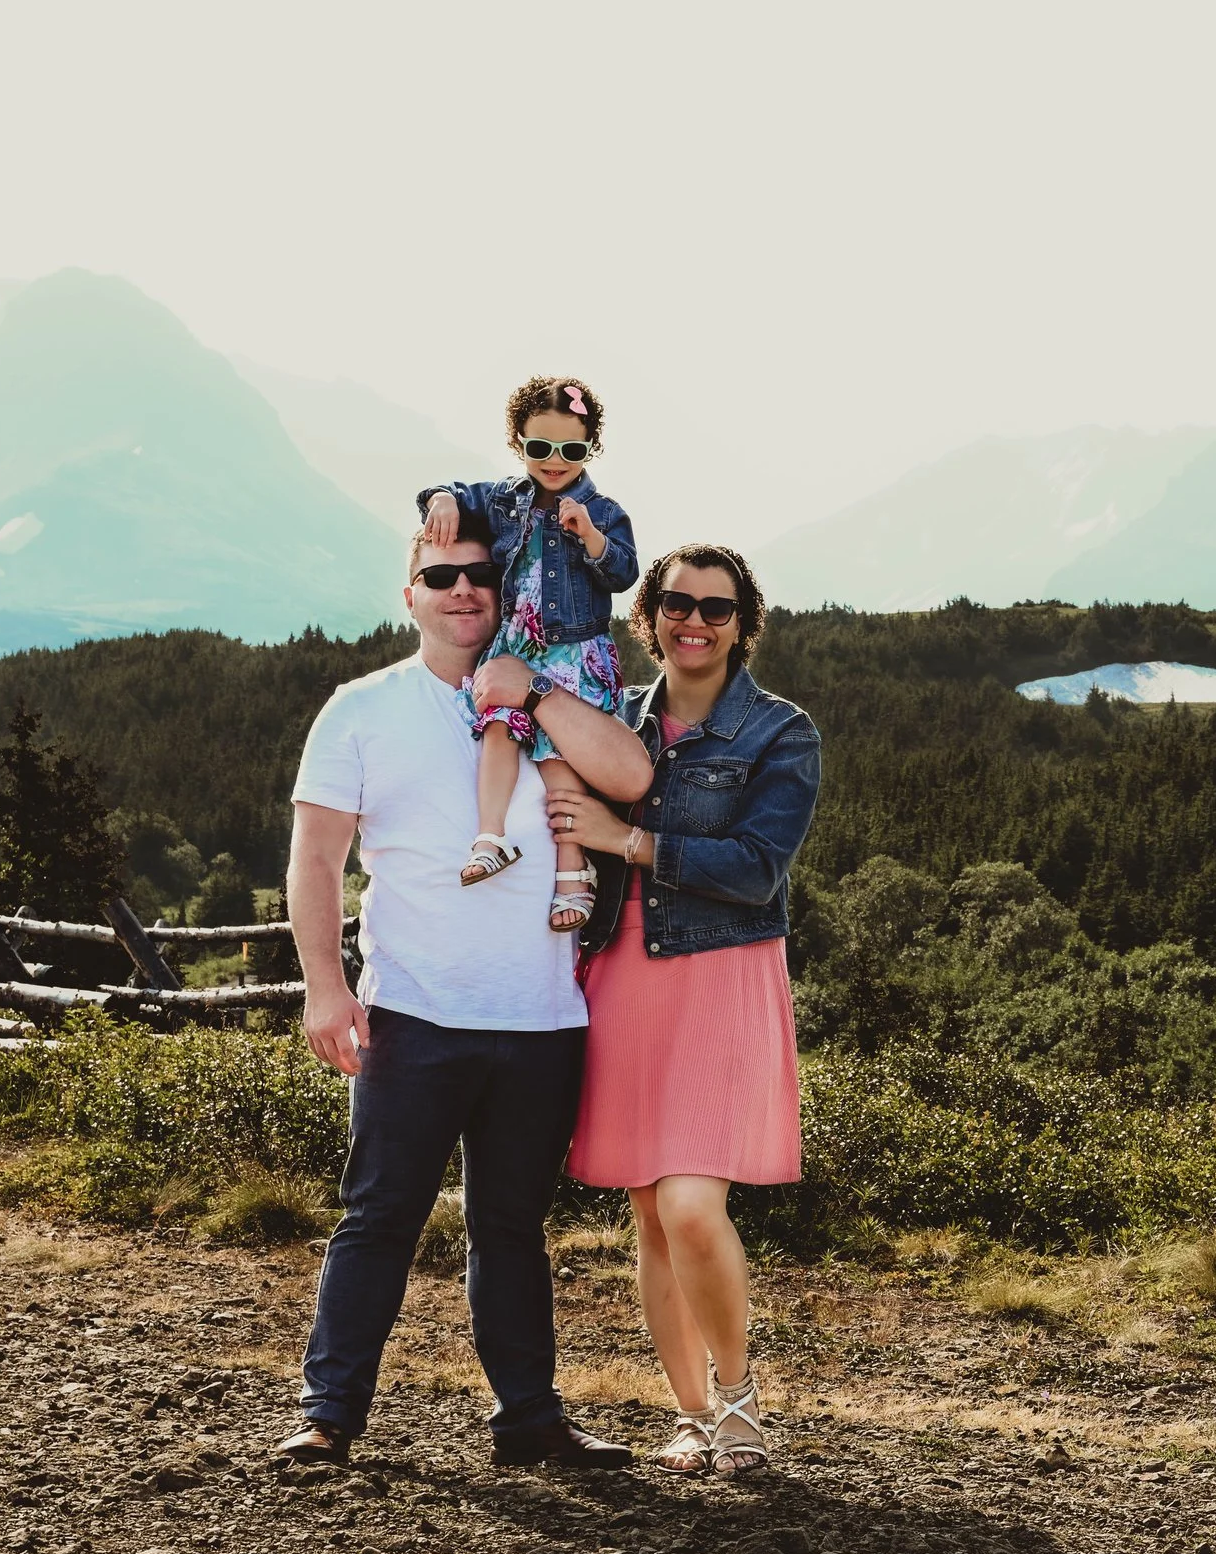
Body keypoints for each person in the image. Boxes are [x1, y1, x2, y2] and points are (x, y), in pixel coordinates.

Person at [278, 513, 652, 1470]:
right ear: (409, 595)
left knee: (513, 1227)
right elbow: (316, 858)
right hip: (414, 1011)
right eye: (440, 574)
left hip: (543, 1019)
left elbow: (631, 777)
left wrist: (533, 691)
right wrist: (326, 988)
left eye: (481, 574)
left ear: (505, 587)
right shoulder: (359, 708)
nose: (463, 589)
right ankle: (330, 1414)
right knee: (380, 1213)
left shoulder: (555, 696)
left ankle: (529, 1420)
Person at [547, 543, 821, 1478]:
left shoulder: (781, 733)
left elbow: (755, 870)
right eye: (674, 602)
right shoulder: (613, 723)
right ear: (647, 613)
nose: (691, 620)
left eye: (714, 605)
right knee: (653, 1218)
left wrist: (629, 836)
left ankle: (740, 1399)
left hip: (722, 975)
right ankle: (693, 1414)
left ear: (744, 622)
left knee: (694, 1203)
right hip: (620, 975)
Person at [417, 375, 637, 929]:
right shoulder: (504, 501)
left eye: (572, 449)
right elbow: (456, 493)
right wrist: (440, 498)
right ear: (518, 444)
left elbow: (624, 572)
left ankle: (573, 868)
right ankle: (490, 836)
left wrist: (591, 537)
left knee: (558, 760)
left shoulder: (603, 510)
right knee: (498, 730)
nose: (555, 461)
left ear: (593, 448)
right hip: (517, 643)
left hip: (572, 651)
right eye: (540, 448)